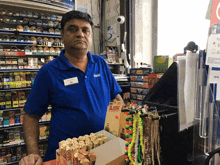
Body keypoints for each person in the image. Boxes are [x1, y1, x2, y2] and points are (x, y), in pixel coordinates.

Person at [19, 10, 123, 165]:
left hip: (104, 151)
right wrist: (33, 154)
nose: (80, 34)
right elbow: (30, 116)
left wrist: (121, 133)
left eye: (85, 30)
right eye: (72, 29)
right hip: (67, 157)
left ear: (90, 35)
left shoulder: (101, 63)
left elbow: (117, 98)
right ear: (62, 35)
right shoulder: (48, 72)